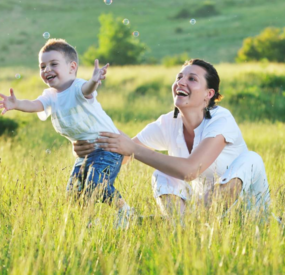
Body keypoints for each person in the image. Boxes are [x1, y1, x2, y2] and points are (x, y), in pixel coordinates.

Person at [73, 59, 270, 220]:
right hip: (206, 217)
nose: (181, 83)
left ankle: (192, 222)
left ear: (209, 94)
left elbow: (191, 170)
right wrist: (91, 144)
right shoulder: (169, 122)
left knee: (251, 159)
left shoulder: (221, 119)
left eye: (192, 79)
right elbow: (123, 154)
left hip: (248, 213)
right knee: (163, 173)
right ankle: (183, 228)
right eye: (179, 77)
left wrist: (134, 149)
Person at [0, 38, 132, 225]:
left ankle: (123, 210)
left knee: (96, 184)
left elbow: (87, 90)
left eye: (53, 64)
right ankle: (88, 223)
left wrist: (94, 80)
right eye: (42, 66)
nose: (46, 70)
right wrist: (17, 104)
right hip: (86, 153)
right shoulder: (50, 95)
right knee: (74, 192)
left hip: (107, 148)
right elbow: (35, 105)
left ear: (71, 67)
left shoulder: (77, 87)